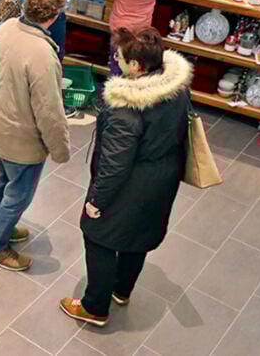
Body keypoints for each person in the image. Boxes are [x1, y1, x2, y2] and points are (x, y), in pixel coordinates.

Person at [60, 28, 191, 327]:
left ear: (137, 67)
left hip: (133, 182)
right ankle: (122, 289)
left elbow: (115, 165)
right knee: (139, 236)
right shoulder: (178, 88)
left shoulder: (126, 109)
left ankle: (94, 307)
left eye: (120, 58)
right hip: (163, 178)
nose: (116, 63)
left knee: (98, 237)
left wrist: (96, 201)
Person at [0, 0, 71, 272]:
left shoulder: (5, 28)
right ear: (55, 14)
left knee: (0, 179)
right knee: (18, 194)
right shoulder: (43, 54)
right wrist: (60, 149)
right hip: (23, 139)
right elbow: (49, 111)